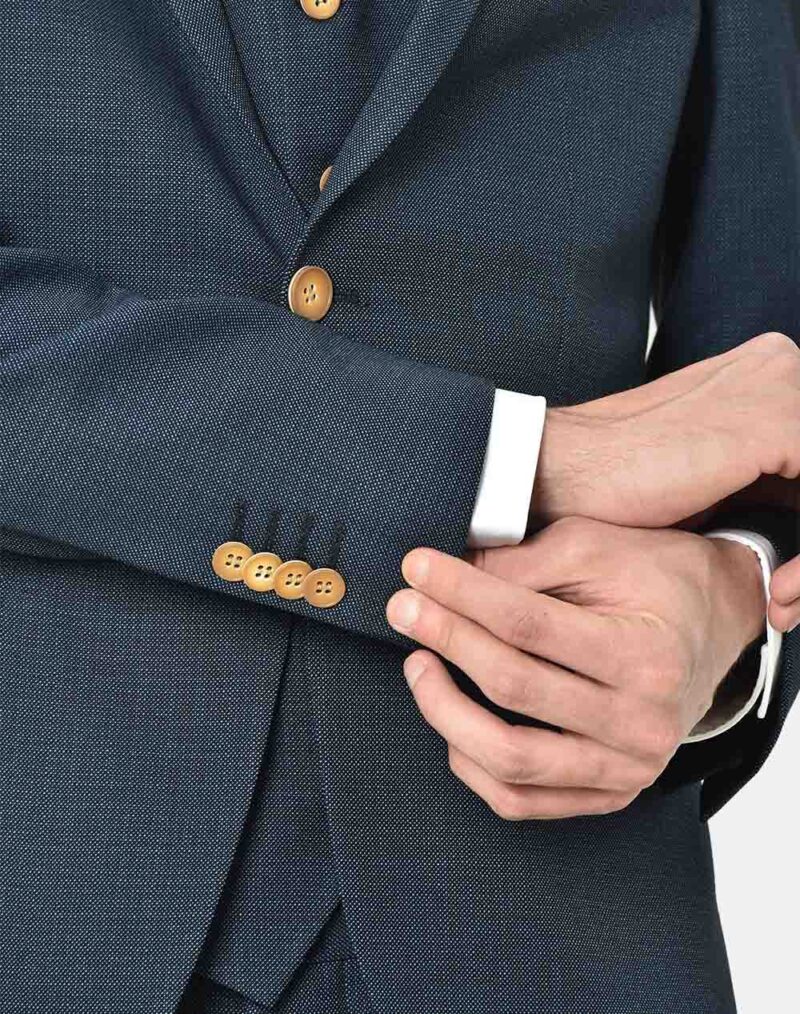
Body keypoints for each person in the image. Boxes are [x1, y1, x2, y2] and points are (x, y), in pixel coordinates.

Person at [0, 3, 797, 1013]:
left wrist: (732, 599)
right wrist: (518, 462)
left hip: (559, 920)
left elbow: (766, 381)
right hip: (47, 876)